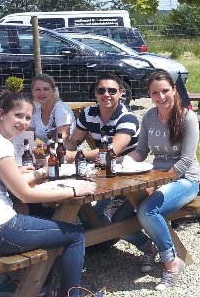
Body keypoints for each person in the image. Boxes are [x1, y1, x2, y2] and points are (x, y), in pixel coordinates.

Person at [0, 91, 95, 297]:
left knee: (43, 218)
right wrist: (73, 190)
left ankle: (40, 287)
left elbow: (10, 183)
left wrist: (39, 173)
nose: (23, 122)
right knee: (75, 235)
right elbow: (25, 194)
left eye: (27, 117)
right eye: (18, 115)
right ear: (1, 113)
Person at [122, 70, 200, 290]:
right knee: (118, 221)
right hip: (156, 178)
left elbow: (186, 161)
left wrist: (160, 181)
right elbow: (141, 151)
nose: (161, 96)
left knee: (147, 211)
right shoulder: (149, 117)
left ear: (174, 90)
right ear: (149, 95)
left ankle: (172, 263)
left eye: (165, 91)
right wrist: (121, 162)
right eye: (155, 93)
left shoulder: (187, 117)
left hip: (185, 180)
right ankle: (149, 246)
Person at [63, 74, 150, 267]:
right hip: (102, 170)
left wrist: (71, 156)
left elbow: (112, 152)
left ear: (121, 93)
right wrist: (59, 148)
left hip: (129, 173)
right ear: (95, 93)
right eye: (101, 90)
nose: (106, 94)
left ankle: (145, 245)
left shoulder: (127, 117)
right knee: (84, 208)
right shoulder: (88, 113)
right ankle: (102, 241)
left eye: (112, 90)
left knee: (94, 211)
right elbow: (73, 141)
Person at [28, 73, 74, 143]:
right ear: (33, 91)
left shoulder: (60, 109)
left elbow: (62, 141)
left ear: (53, 91)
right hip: (48, 148)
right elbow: (28, 136)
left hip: (65, 149)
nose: (41, 93)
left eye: (46, 89)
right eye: (37, 89)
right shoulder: (35, 109)